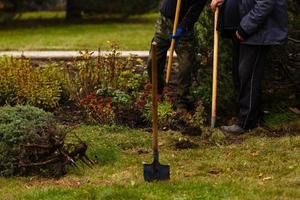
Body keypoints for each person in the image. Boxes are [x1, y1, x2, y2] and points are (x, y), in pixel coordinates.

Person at [210, 0, 288, 133]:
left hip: (256, 32)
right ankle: (253, 117)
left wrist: (245, 28)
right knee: (240, 76)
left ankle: (246, 123)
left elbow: (265, 3)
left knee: (248, 77)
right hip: (242, 31)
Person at [147, 0, 207, 113]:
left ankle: (182, 101)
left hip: (184, 29)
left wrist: (182, 27)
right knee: (153, 61)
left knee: (185, 67)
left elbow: (195, 11)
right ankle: (158, 93)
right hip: (164, 22)